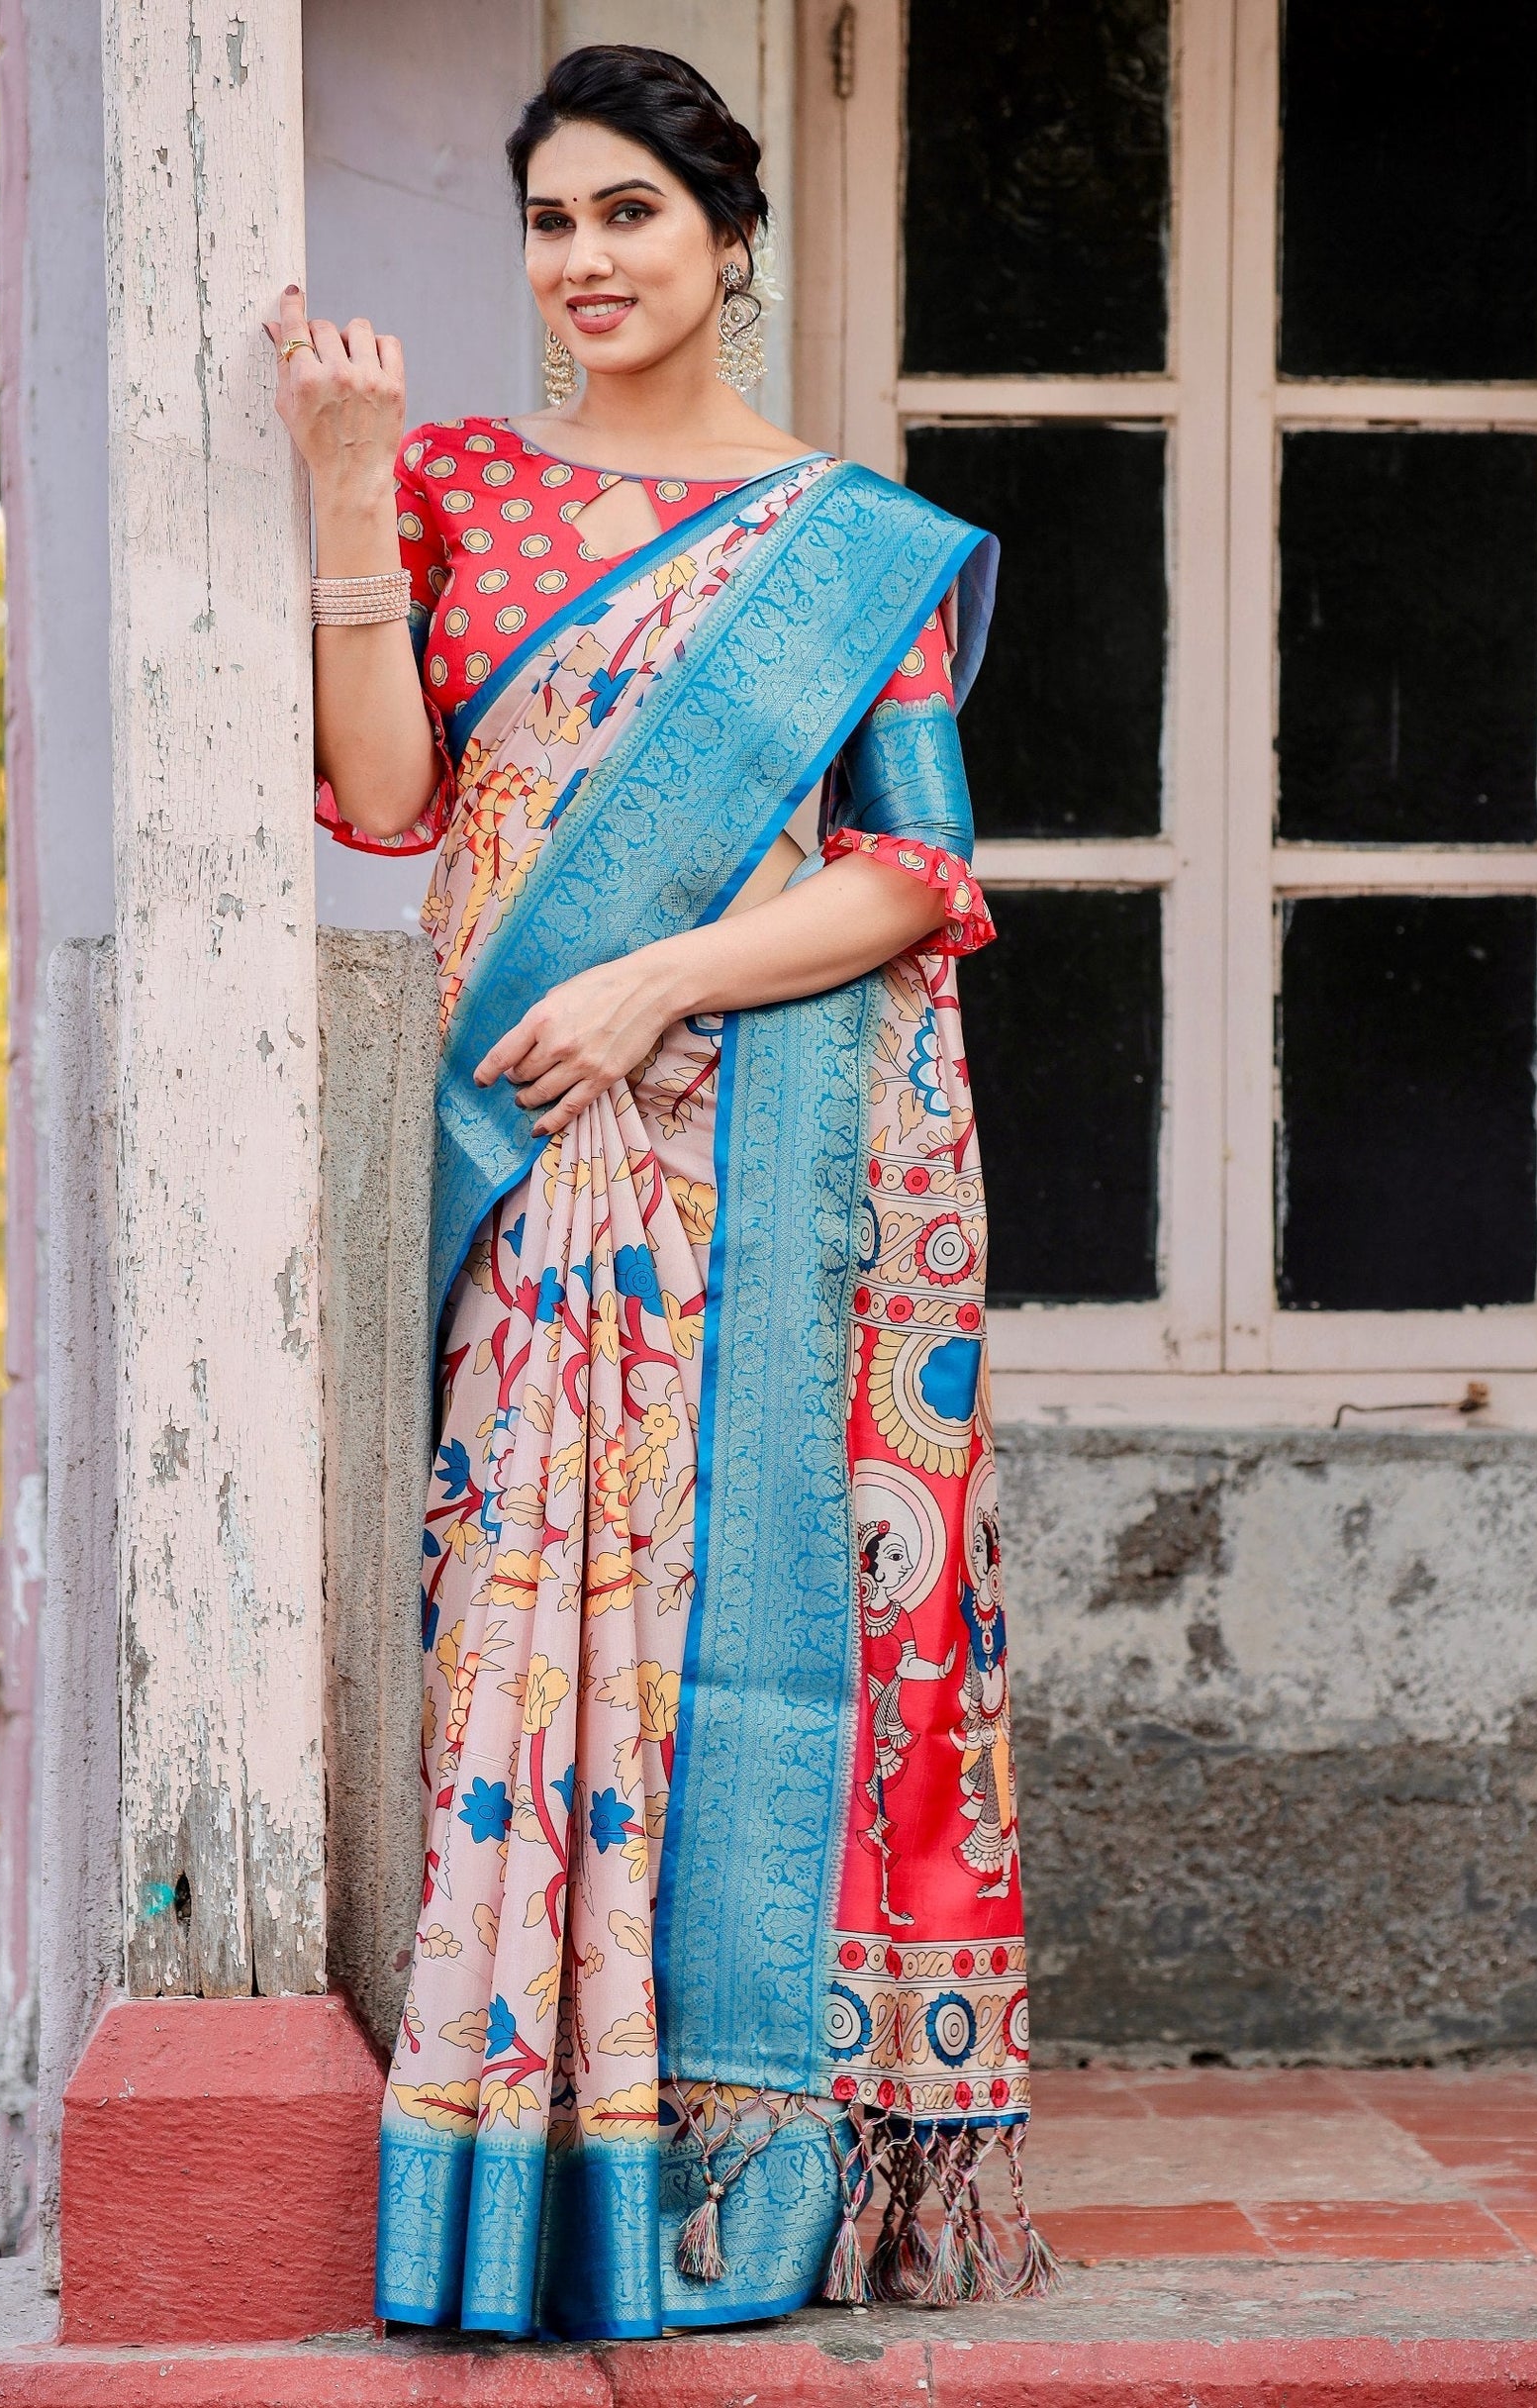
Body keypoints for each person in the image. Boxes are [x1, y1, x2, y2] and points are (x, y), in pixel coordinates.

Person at [268, 41, 1048, 2344]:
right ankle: (536, 2155)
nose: (585, 261)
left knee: (773, 1626)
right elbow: (395, 798)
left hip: (774, 1157)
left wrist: (658, 981)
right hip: (540, 1156)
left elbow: (914, 874)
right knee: (536, 1606)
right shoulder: (462, 486)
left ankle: (749, 2171)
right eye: (551, 222)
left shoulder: (842, 541)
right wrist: (339, 488)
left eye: (630, 216)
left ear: (728, 241)